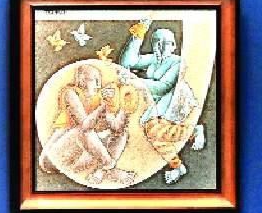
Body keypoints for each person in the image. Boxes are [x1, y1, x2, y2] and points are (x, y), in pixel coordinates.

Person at [121, 20, 200, 183]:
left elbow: (164, 87)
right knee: (154, 134)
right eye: (157, 42)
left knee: (155, 131)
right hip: (157, 104)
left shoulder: (177, 61)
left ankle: (192, 132)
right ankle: (178, 163)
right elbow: (127, 63)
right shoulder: (154, 59)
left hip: (175, 102)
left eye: (166, 43)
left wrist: (135, 81)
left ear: (173, 46)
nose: (161, 46)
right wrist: (138, 34)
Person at [39, 62, 133, 185]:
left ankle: (102, 170)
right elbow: (84, 126)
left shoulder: (99, 100)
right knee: (82, 131)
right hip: (54, 159)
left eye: (99, 80)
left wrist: (125, 109)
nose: (99, 85)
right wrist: (102, 107)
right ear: (82, 81)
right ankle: (110, 168)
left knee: (121, 134)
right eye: (94, 80)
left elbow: (116, 127)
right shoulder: (71, 93)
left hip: (80, 158)